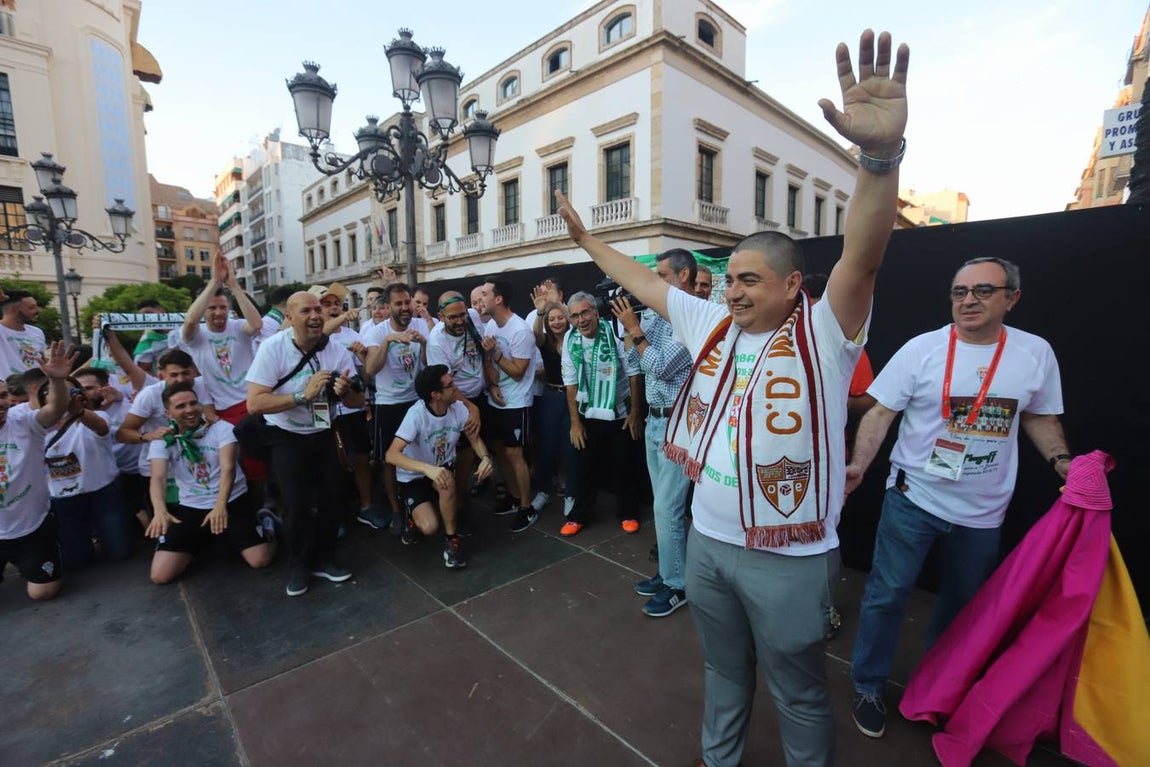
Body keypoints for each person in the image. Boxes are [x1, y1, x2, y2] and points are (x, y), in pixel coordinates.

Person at [557, 29, 909, 767]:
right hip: (712, 546)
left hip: (788, 556)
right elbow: (649, 282)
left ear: (791, 286)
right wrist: (592, 245)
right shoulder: (711, 321)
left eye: (750, 278)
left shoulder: (825, 331)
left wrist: (878, 160)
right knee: (722, 673)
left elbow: (864, 252)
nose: (732, 287)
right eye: (729, 277)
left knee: (799, 690)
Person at [845, 256, 1069, 739]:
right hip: (914, 498)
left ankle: (936, 690)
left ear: (1012, 298)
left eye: (983, 290)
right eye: (959, 291)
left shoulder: (1034, 354)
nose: (968, 300)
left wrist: (1061, 461)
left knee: (963, 609)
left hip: (984, 511)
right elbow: (881, 412)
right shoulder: (922, 350)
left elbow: (1039, 415)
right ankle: (867, 684)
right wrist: (860, 465)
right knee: (886, 597)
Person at [247, 291, 364, 597]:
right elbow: (254, 403)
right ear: (289, 317)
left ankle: (325, 558)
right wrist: (301, 397)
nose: (315, 316)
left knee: (331, 498)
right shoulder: (272, 349)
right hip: (286, 436)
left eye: (318, 310)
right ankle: (298, 564)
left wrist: (345, 391)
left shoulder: (336, 350)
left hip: (325, 433)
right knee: (296, 502)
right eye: (306, 311)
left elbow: (358, 400)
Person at [613, 248, 698, 617]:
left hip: (679, 425)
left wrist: (635, 331)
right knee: (662, 508)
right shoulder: (656, 318)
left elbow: (662, 367)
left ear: (683, 276)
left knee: (667, 508)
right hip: (655, 421)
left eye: (661, 275)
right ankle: (667, 574)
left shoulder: (690, 319)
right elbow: (635, 362)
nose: (653, 282)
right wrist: (630, 332)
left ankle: (677, 586)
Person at [146, 381, 274, 584]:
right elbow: (158, 477)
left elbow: (228, 469)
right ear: (168, 413)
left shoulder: (220, 428)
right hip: (192, 506)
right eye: (180, 406)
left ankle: (267, 523)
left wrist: (220, 505)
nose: (189, 410)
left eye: (193, 403)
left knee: (260, 560)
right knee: (160, 576)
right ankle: (201, 540)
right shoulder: (164, 440)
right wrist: (160, 511)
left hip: (231, 500)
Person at [386, 365, 494, 566]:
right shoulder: (416, 414)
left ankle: (451, 540)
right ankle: (412, 517)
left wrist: (485, 457)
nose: (456, 387)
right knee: (429, 527)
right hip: (414, 474)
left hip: (441, 468)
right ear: (436, 395)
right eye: (450, 385)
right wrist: (427, 469)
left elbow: (474, 439)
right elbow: (391, 454)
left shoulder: (458, 409)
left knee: (447, 481)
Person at [559, 291, 643, 537]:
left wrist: (636, 412)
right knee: (583, 466)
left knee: (623, 466)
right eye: (574, 315)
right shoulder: (570, 339)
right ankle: (579, 516)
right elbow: (570, 380)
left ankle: (628, 513)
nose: (581, 319)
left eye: (585, 312)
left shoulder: (616, 332)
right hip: (588, 412)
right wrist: (575, 421)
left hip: (619, 412)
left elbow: (634, 372)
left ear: (595, 312)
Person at [181, 254, 267, 492]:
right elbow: (189, 320)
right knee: (231, 469)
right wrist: (214, 283)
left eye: (222, 307)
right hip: (220, 413)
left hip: (249, 405)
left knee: (257, 468)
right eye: (212, 308)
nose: (218, 312)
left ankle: (264, 512)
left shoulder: (239, 327)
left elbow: (257, 324)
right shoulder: (196, 336)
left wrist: (233, 285)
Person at [0, 341, 76, 601]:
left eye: (2, 396)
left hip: (32, 528)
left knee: (43, 593)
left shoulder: (22, 420)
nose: (2, 403)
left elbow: (55, 409)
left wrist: (56, 381)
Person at [363, 282, 431, 529]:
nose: (404, 308)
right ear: (388, 306)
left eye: (407, 302)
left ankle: (422, 500)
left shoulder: (421, 324)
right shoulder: (376, 332)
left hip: (415, 400)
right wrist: (388, 342)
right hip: (388, 403)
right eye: (398, 304)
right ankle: (395, 510)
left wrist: (424, 343)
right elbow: (370, 370)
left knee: (421, 452)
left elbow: (428, 362)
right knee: (389, 460)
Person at [316, 282, 380, 528]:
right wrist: (343, 316)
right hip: (322, 410)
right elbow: (323, 333)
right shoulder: (313, 336)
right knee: (330, 464)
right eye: (327, 304)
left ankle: (366, 506)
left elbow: (364, 377)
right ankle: (335, 515)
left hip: (351, 408)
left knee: (362, 458)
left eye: (337, 304)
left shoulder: (354, 336)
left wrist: (364, 356)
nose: (333, 308)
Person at [477, 278, 539, 533]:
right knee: (500, 450)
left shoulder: (520, 330)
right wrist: (492, 385)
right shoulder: (491, 324)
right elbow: (489, 363)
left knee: (515, 454)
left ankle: (527, 507)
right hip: (497, 400)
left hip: (516, 403)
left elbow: (518, 372)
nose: (481, 298)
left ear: (498, 299)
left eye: (485, 294)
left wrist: (497, 354)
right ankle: (514, 498)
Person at [425, 291, 488, 507]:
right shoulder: (436, 341)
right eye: (453, 317)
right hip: (455, 401)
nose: (460, 321)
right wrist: (471, 408)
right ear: (441, 316)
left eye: (462, 315)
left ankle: (471, 491)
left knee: (481, 448)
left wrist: (493, 384)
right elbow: (447, 384)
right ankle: (457, 503)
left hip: (480, 395)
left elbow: (483, 351)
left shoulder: (473, 317)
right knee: (462, 454)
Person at [528, 290, 578, 518]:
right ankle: (544, 491)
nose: (557, 322)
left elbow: (575, 320)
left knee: (571, 447)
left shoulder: (575, 338)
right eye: (552, 319)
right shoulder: (545, 341)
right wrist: (541, 312)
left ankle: (571, 493)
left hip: (573, 397)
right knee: (547, 445)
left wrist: (558, 303)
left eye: (560, 317)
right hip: (551, 396)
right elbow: (535, 334)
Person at [0, 290, 47, 377]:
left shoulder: (37, 332)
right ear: (13, 309)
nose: (38, 310)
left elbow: (42, 360)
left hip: (35, 386)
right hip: (7, 387)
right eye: (31, 308)